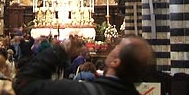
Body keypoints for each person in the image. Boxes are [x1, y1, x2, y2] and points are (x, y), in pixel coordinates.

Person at [13, 35, 152, 95]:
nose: (114, 47)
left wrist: (59, 51)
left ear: (115, 62)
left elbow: (24, 84)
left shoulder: (78, 91)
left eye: (117, 46)